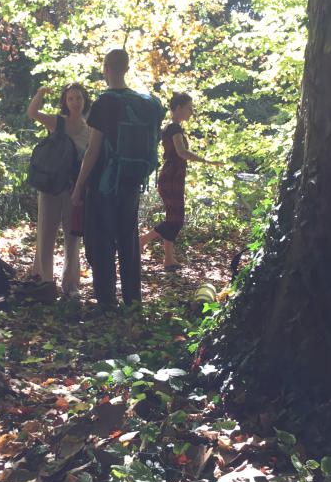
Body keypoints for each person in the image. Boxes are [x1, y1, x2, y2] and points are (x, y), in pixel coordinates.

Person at [71, 49, 165, 311]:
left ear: (106, 69)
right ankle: (133, 299)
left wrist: (79, 187)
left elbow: (93, 150)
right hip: (131, 181)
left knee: (101, 241)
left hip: (103, 182)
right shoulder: (142, 103)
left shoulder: (104, 103)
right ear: (126, 68)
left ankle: (106, 300)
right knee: (128, 239)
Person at [25, 83, 91, 297]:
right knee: (46, 234)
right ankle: (46, 281)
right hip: (51, 187)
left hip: (74, 189)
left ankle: (71, 285)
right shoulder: (57, 122)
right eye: (71, 99)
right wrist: (39, 93)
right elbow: (32, 113)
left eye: (78, 98)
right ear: (65, 101)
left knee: (73, 236)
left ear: (84, 100)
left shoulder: (89, 129)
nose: (75, 103)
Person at [139, 92, 218, 270]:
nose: (191, 112)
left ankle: (169, 259)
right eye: (189, 108)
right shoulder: (174, 128)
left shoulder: (171, 128)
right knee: (176, 220)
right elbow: (181, 152)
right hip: (171, 177)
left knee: (173, 217)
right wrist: (206, 161)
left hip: (172, 176)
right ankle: (141, 241)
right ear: (179, 108)